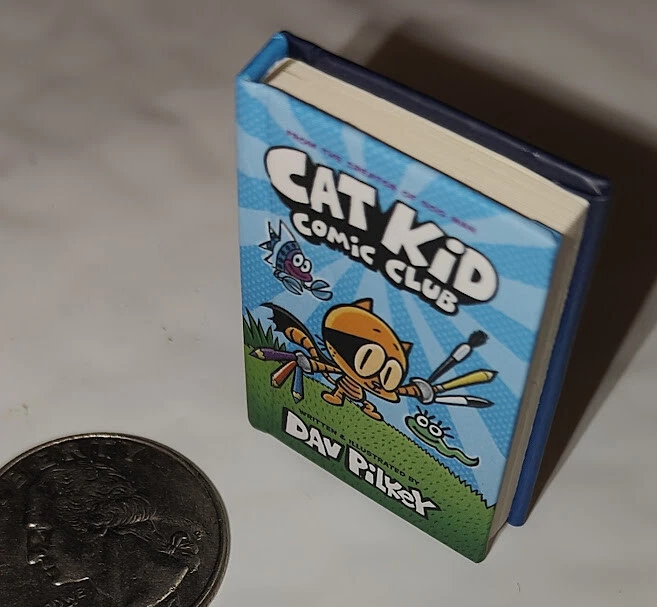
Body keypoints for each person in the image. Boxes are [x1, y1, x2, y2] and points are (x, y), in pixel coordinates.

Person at [25, 460, 205, 607]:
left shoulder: (159, 585)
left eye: (43, 533)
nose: (32, 557)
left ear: (93, 525)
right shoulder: (112, 598)